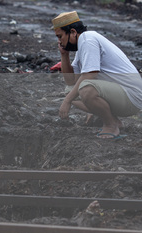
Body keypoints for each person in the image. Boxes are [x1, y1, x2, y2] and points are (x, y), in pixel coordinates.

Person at [52, 11, 142, 139]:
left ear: (72, 32)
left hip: (132, 95)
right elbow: (70, 81)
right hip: (121, 94)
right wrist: (64, 55)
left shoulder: (88, 40)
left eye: (60, 36)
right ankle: (113, 120)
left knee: (86, 89)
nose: (59, 41)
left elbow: (89, 75)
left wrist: (67, 101)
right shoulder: (81, 46)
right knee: (72, 91)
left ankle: (110, 125)